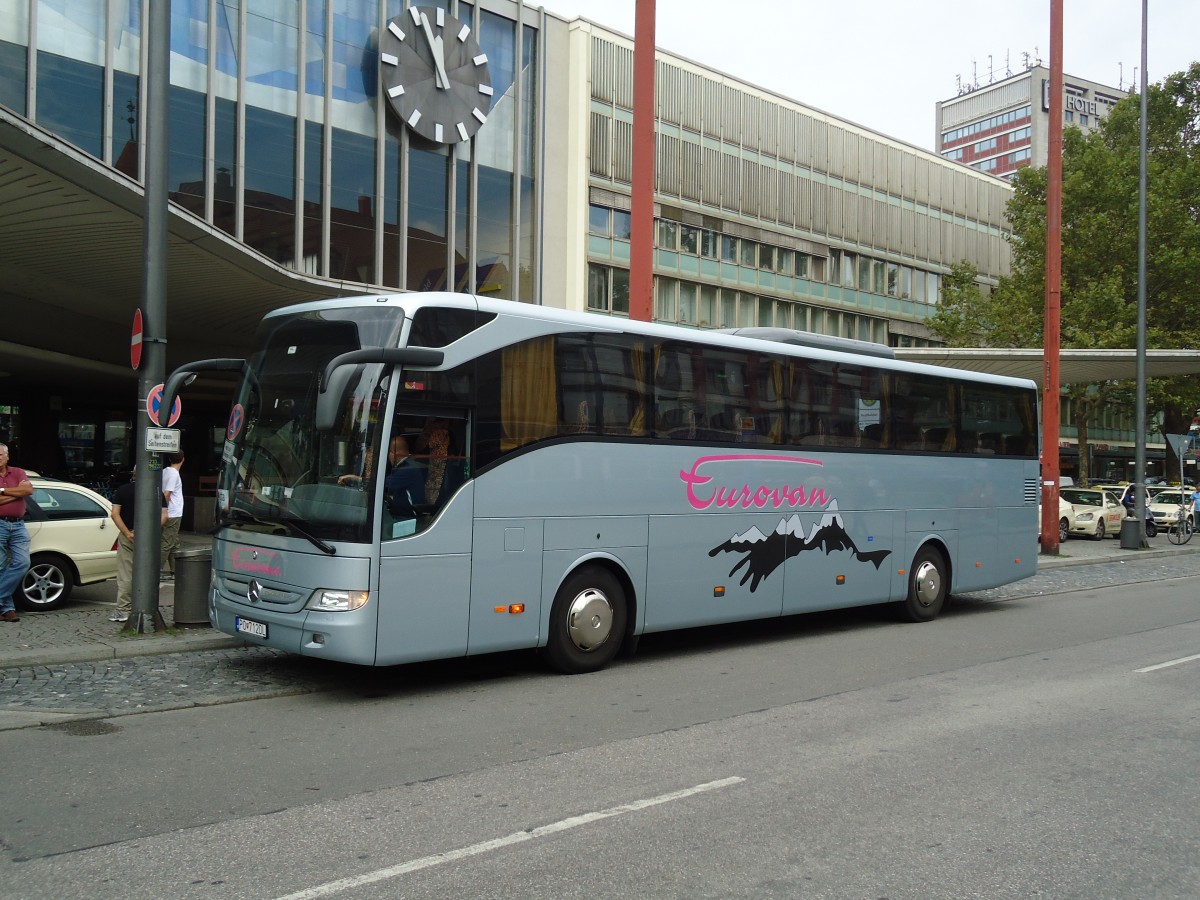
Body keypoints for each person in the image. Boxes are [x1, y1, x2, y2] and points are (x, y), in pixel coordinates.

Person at [109, 467, 168, 623]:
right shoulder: (156, 491)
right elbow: (164, 515)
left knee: (126, 573)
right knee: (149, 571)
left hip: (128, 534)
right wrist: (151, 532)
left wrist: (127, 533)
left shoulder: (122, 490)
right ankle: (147, 606)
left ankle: (123, 610)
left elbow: (114, 513)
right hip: (150, 537)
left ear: (133, 474)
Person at [0, 443, 34, 623]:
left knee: (22, 563)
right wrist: (17, 493)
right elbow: (23, 492)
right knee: (0, 567)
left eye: (0, 455)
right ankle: (7, 609)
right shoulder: (18, 479)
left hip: (19, 525)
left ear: (7, 456)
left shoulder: (18, 472)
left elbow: (28, 490)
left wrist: (3, 491)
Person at [384, 434, 425, 519]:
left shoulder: (407, 469)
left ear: (395, 453)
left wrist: (358, 479)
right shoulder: (407, 464)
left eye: (389, 452)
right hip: (402, 513)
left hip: (409, 517)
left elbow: (383, 485)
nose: (388, 456)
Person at [160, 451, 185, 581]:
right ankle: (155, 570)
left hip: (171, 513)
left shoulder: (165, 471)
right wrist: (164, 511)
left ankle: (176, 571)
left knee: (174, 542)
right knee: (167, 543)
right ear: (183, 459)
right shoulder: (174, 474)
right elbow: (167, 494)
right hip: (173, 513)